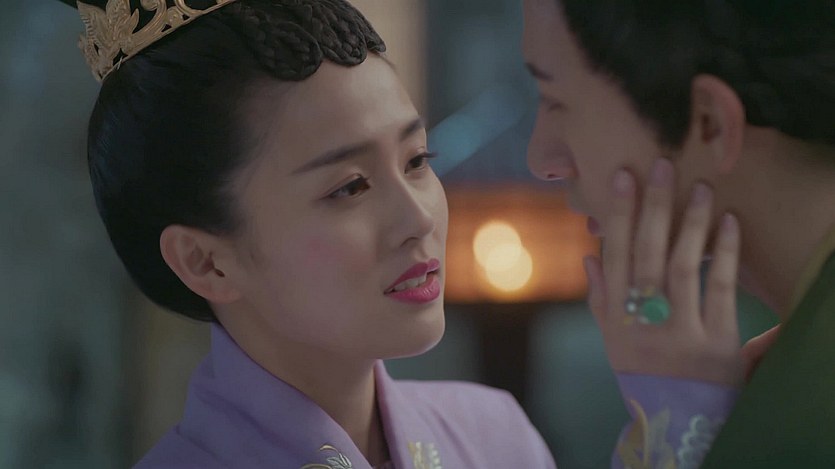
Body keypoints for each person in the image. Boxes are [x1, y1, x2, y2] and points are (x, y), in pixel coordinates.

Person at [57, 0, 557, 467]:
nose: (419, 220)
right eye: (350, 187)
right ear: (205, 261)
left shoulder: (495, 439)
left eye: (417, 160)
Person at [523, 0, 835, 467]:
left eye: (555, 100)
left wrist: (682, 434)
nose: (542, 160)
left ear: (709, 122)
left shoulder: (805, 427)